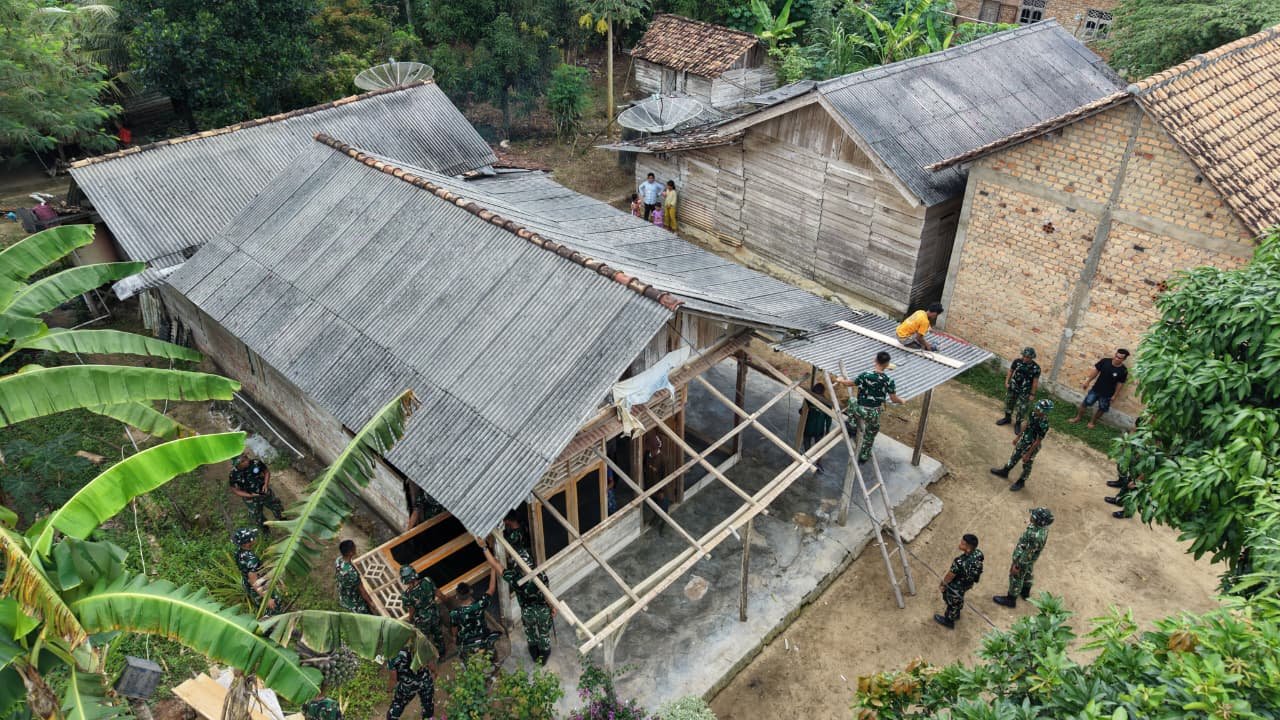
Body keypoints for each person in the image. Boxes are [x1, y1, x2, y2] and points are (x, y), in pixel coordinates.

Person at [835, 352, 905, 464]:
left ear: (875, 360)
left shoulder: (866, 375)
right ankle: (864, 456)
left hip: (861, 410)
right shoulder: (889, 380)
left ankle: (852, 425)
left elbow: (849, 383)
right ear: (887, 364)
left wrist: (840, 380)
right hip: (874, 413)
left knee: (852, 400)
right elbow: (893, 399)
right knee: (871, 434)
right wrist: (902, 401)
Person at [501, 547, 557, 664]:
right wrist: (552, 607)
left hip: (527, 612)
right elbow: (547, 594)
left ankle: (533, 650)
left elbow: (497, 566)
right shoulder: (541, 575)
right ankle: (544, 653)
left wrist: (485, 549)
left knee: (530, 631)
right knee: (544, 632)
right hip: (542, 610)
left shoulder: (515, 578)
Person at [450, 539, 501, 660]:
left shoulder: (455, 613)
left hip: (467, 643)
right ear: (471, 591)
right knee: (491, 656)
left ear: (457, 597)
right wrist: (493, 568)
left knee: (469, 661)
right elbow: (491, 589)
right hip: (483, 639)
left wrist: (454, 638)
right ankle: (493, 660)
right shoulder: (480, 604)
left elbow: (454, 631)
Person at [993, 507, 1053, 608]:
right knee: (1028, 572)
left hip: (1023, 560)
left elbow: (1027, 553)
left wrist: (1017, 565)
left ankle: (1011, 599)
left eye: (1033, 516)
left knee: (1016, 577)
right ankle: (1025, 592)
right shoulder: (1042, 529)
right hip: (1030, 559)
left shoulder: (1036, 536)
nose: (1031, 516)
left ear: (1038, 521)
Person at [991, 399, 1052, 491]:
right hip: (1024, 440)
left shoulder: (1044, 424)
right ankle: (1005, 471)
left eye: (1039, 409)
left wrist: (1028, 454)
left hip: (1032, 446)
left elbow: (1038, 441)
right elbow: (1027, 425)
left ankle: (1021, 481)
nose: (1036, 409)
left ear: (1044, 412)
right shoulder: (1033, 413)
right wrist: (1018, 437)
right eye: (1037, 407)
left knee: (1027, 464)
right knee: (1014, 456)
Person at [1069, 348, 1130, 428]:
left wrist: (1115, 395)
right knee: (1085, 403)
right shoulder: (1105, 361)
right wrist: (1088, 382)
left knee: (1102, 408)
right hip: (1095, 389)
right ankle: (1078, 418)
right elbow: (1096, 372)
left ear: (1124, 359)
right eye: (1116, 356)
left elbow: (1120, 384)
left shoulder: (1123, 370)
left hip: (1107, 394)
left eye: (1119, 358)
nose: (1116, 358)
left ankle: (1092, 422)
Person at [934, 533, 983, 629]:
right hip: (968, 583)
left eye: (962, 543)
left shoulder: (959, 562)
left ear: (968, 548)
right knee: (959, 597)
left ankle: (949, 620)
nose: (959, 544)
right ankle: (957, 613)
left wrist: (943, 584)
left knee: (952, 602)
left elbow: (950, 575)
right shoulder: (978, 554)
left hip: (956, 586)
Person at [229, 454, 284, 533]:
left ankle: (283, 520)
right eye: (243, 461)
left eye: (246, 458)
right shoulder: (233, 474)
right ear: (237, 464)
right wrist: (250, 495)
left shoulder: (256, 463)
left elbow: (266, 472)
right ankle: (265, 530)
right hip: (251, 499)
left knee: (276, 506)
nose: (247, 461)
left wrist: (266, 484)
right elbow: (235, 489)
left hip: (264, 492)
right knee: (257, 516)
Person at [400, 565, 446, 658]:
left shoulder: (406, 595)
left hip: (422, 620)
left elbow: (411, 610)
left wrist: (410, 619)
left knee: (424, 638)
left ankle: (428, 657)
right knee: (438, 633)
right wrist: (445, 600)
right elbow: (438, 593)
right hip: (434, 613)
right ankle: (442, 652)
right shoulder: (427, 581)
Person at [233, 527, 280, 616]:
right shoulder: (251, 560)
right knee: (272, 610)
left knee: (264, 610)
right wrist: (267, 598)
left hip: (249, 586)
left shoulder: (239, 552)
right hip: (259, 589)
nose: (255, 538)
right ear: (248, 543)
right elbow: (254, 581)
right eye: (252, 537)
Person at [997, 347, 1041, 434]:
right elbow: (1011, 371)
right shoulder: (1017, 361)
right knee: (1009, 402)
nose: (1025, 358)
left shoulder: (1036, 368)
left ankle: (1017, 424)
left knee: (1022, 408)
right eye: (1024, 356)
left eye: (1028, 357)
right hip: (1013, 387)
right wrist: (1007, 382)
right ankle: (1007, 418)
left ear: (1032, 357)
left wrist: (1032, 394)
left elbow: (1035, 382)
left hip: (1025, 391)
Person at [385, 643, 433, 720]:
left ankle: (392, 718)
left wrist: (389, 689)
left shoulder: (393, 653)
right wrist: (434, 672)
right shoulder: (419, 642)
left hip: (407, 685)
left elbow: (393, 678)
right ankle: (428, 718)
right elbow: (430, 662)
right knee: (428, 703)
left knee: (398, 703)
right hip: (425, 680)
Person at [799, 383, 832, 472]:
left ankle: (818, 463)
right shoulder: (809, 399)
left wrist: (827, 430)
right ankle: (807, 459)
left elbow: (829, 418)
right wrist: (801, 411)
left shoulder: (827, 404)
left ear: (822, 393)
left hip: (819, 429)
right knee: (807, 442)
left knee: (819, 446)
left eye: (817, 394)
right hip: (809, 427)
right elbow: (802, 409)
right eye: (814, 393)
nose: (816, 396)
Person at [335, 540, 374, 614]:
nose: (356, 548)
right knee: (365, 613)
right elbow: (362, 591)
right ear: (350, 553)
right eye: (354, 547)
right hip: (354, 600)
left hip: (344, 593)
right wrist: (370, 603)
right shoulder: (352, 573)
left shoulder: (338, 560)